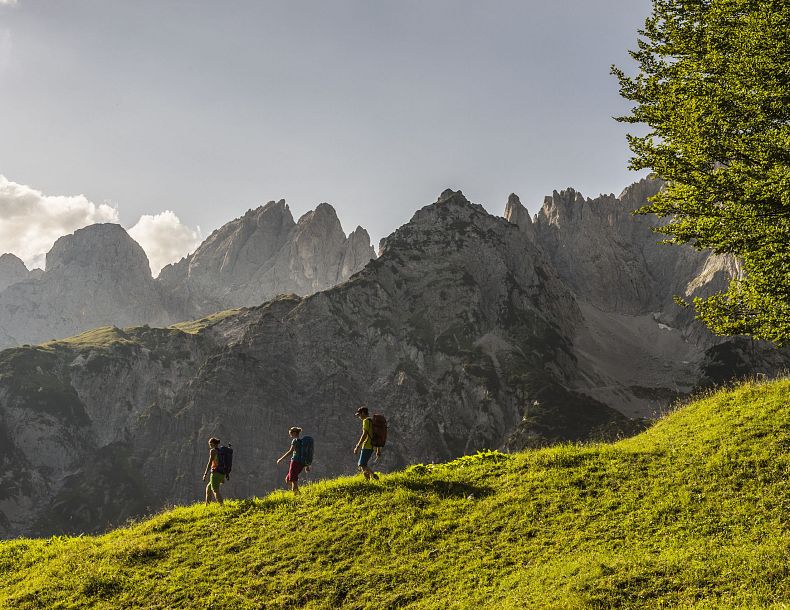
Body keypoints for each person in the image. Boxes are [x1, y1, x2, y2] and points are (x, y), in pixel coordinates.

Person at [276, 426, 308, 494]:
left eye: (291, 433)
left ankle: (297, 494)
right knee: (288, 479)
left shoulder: (295, 441)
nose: (290, 435)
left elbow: (290, 451)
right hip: (301, 464)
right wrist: (306, 465)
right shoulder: (302, 442)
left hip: (295, 462)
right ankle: (297, 491)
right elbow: (305, 453)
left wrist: (281, 459)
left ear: (294, 433)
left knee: (293, 480)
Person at [353, 406, 379, 480]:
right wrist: (378, 450)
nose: (359, 417)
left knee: (362, 464)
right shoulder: (372, 421)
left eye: (359, 414)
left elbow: (364, 434)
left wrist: (357, 446)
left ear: (363, 413)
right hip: (372, 446)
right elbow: (376, 435)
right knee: (363, 465)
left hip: (367, 445)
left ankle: (373, 476)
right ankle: (368, 480)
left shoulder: (366, 421)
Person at [202, 437, 224, 506]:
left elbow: (210, 463)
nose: (209, 445)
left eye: (210, 444)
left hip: (215, 473)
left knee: (215, 491)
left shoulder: (213, 451)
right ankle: (207, 506)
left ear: (213, 444)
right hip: (221, 473)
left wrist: (205, 474)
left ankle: (222, 506)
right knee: (208, 489)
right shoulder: (221, 451)